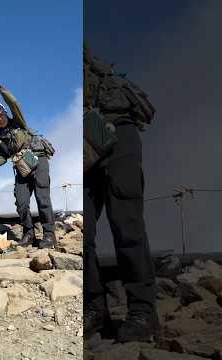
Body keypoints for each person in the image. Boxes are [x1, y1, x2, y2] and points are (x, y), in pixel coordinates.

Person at [83, 43, 158, 342]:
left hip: (117, 130)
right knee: (83, 234)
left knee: (126, 225)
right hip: (85, 144)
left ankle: (143, 311)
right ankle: (94, 309)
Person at [0, 73, 56, 249]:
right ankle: (28, 232)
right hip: (22, 168)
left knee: (42, 196)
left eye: (0, 116)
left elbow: (13, 103)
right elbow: (1, 159)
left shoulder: (18, 122)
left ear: (4, 114)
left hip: (38, 158)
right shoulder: (0, 138)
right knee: (21, 200)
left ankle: (49, 235)